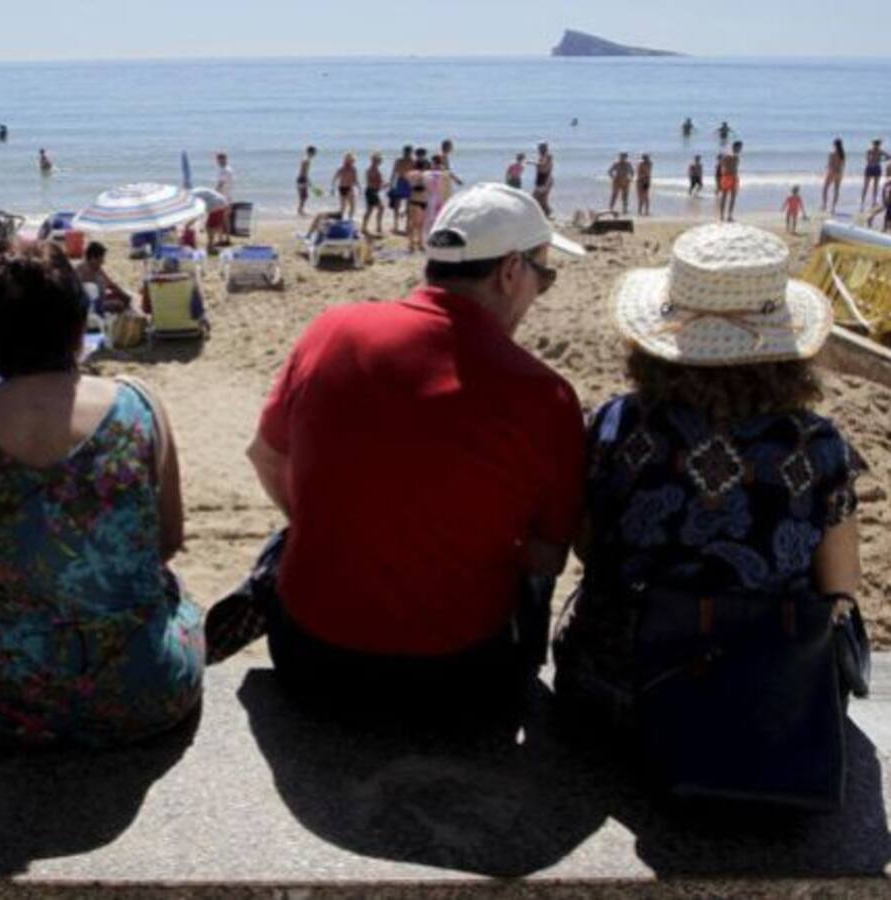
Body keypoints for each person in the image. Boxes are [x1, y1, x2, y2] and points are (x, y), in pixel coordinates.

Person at [240, 184, 586, 718]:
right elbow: (546, 556)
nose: (540, 293)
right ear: (510, 271)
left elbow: (265, 456)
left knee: (288, 541)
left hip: (311, 660)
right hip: (460, 681)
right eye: (545, 276)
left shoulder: (332, 331)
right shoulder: (546, 395)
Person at [553, 223, 864, 796]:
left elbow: (589, 546)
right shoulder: (818, 446)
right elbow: (839, 586)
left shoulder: (618, 423)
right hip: (763, 704)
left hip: (619, 689)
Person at [0, 241, 203, 746]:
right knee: (181, 595)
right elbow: (168, 540)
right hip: (142, 695)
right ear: (78, 324)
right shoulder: (136, 404)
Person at [75, 241, 133, 316]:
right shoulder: (81, 272)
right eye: (101, 259)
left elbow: (111, 284)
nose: (103, 262)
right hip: (91, 307)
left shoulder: (96, 269)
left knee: (119, 297)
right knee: (119, 305)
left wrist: (124, 296)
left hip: (100, 301)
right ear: (93, 258)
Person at [207, 152, 234, 251]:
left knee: (221, 219)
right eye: (218, 159)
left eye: (220, 159)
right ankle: (227, 239)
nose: (218, 161)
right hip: (228, 196)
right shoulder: (229, 169)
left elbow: (220, 184)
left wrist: (213, 193)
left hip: (222, 198)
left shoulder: (223, 170)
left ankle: (221, 239)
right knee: (225, 219)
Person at [405, 158, 430, 253]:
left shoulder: (410, 174)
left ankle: (411, 244)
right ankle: (420, 243)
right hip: (422, 200)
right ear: (424, 166)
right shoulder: (425, 174)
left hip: (412, 199)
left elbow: (407, 179)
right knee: (420, 225)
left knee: (412, 223)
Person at [388, 145, 414, 234]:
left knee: (399, 205)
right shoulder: (411, 161)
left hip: (403, 182)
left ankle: (398, 226)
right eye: (409, 152)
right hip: (406, 182)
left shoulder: (400, 161)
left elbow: (394, 173)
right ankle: (404, 226)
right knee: (405, 205)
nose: (408, 154)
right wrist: (391, 184)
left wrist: (391, 184)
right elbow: (394, 173)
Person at [860, 139, 890, 209]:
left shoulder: (872, 151)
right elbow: (888, 157)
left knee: (869, 186)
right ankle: (869, 201)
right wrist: (880, 160)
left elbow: (867, 159)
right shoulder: (877, 151)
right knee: (870, 186)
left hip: (872, 167)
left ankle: (867, 201)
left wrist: (879, 160)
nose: (877, 146)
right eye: (877, 144)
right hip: (874, 167)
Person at [718, 141, 743, 221]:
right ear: (735, 147)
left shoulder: (735, 156)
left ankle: (728, 216)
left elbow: (722, 163)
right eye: (739, 147)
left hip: (733, 177)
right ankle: (723, 215)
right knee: (725, 197)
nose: (740, 149)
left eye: (741, 147)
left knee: (732, 197)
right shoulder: (729, 155)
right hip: (727, 176)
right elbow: (721, 163)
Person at [363, 152, 385, 236]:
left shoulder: (375, 169)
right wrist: (381, 185)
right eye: (378, 161)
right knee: (381, 208)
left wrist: (382, 184)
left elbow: (377, 181)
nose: (379, 162)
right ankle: (378, 227)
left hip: (372, 191)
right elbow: (370, 183)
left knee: (370, 210)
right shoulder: (371, 170)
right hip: (371, 192)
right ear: (374, 161)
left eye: (379, 161)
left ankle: (365, 227)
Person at [332, 152, 359, 220]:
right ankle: (344, 218)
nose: (352, 162)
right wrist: (333, 188)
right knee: (345, 205)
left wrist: (359, 187)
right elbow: (335, 178)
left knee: (350, 205)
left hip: (347, 188)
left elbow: (355, 180)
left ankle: (349, 218)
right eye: (351, 161)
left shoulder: (352, 169)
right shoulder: (342, 168)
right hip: (344, 188)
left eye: (352, 161)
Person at [531, 142, 555, 217]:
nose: (538, 150)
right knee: (542, 199)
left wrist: (532, 163)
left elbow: (543, 165)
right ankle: (547, 214)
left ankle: (546, 213)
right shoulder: (544, 156)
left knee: (535, 198)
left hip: (545, 179)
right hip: (542, 178)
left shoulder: (547, 156)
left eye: (540, 148)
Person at [822, 138, 845, 214]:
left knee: (825, 188)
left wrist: (827, 170)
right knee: (836, 190)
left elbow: (830, 164)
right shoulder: (842, 154)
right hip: (839, 173)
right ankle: (833, 207)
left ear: (835, 145)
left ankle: (824, 205)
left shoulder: (832, 153)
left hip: (832, 172)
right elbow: (842, 165)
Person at [296, 146, 317, 216]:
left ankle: (300, 210)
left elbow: (303, 171)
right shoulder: (307, 160)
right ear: (311, 152)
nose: (315, 154)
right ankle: (300, 210)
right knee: (304, 196)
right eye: (314, 152)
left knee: (304, 196)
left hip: (301, 178)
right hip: (302, 179)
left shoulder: (305, 159)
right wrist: (308, 181)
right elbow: (304, 171)